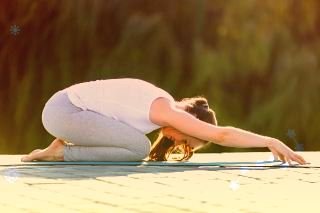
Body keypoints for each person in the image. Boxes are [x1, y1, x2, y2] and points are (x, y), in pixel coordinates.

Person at [21, 78, 307, 165]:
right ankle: (60, 152)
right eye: (186, 139)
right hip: (63, 111)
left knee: (134, 146)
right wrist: (268, 140)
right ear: (188, 120)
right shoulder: (164, 109)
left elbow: (105, 116)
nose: (177, 142)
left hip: (66, 110)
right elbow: (222, 135)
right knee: (137, 149)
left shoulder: (160, 105)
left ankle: (58, 147)